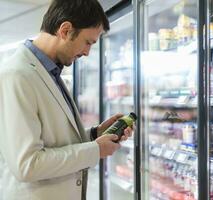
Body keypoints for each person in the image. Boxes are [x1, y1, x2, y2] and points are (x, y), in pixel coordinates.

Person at [0, 0, 133, 199]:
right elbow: (27, 164)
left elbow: (52, 139)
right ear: (65, 30)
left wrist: (94, 135)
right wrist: (95, 150)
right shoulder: (17, 75)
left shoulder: (50, 72)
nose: (87, 52)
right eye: (88, 42)